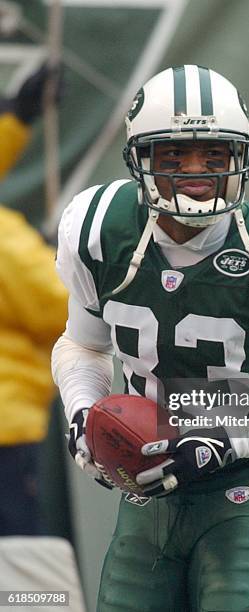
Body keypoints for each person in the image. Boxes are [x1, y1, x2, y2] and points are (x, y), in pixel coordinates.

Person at [52, 65, 249, 611]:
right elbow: (83, 345)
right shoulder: (100, 226)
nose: (196, 172)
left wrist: (225, 443)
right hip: (144, 478)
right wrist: (82, 412)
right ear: (140, 159)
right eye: (174, 155)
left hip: (245, 482)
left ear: (240, 157)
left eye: (213, 155)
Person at [0, 63, 68, 535]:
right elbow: (63, 308)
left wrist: (15, 119)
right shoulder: (6, 242)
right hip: (6, 431)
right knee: (18, 571)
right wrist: (54, 260)